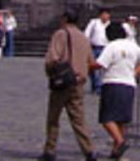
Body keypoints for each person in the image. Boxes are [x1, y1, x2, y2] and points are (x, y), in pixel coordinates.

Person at [40, 11, 98, 161]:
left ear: (65, 19)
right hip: (78, 83)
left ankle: (50, 150)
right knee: (78, 119)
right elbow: (91, 60)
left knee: (53, 118)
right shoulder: (84, 37)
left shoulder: (61, 34)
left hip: (62, 82)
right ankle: (89, 150)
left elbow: (52, 58)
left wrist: (50, 73)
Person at [93, 21, 140, 160]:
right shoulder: (132, 45)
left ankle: (119, 141)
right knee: (121, 119)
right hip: (129, 84)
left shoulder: (112, 46)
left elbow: (100, 64)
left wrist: (87, 64)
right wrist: (136, 72)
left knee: (107, 118)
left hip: (113, 82)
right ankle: (116, 151)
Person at [83, 8, 111, 95]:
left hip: (105, 48)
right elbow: (86, 34)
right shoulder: (94, 22)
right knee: (91, 68)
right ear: (101, 15)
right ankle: (95, 84)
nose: (107, 16)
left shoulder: (109, 24)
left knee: (100, 68)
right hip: (94, 48)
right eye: (106, 14)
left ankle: (99, 86)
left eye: (108, 15)